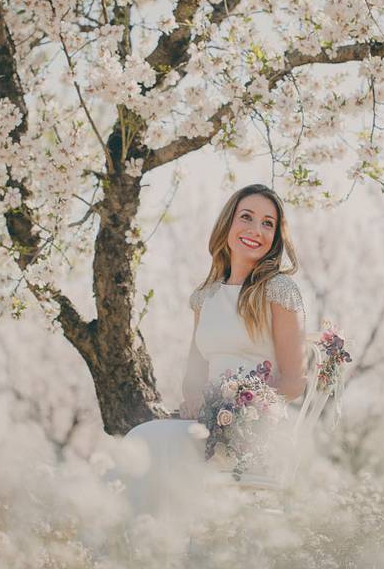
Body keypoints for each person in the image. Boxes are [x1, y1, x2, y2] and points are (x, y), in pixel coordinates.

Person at [104, 183, 309, 518]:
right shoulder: (205, 297)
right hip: (206, 422)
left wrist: (246, 406)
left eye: (268, 223)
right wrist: (198, 401)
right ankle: (133, 541)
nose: (256, 230)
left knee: (157, 442)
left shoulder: (279, 290)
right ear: (228, 223)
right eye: (247, 217)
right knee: (143, 437)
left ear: (276, 236)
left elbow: (293, 380)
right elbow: (194, 376)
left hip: (253, 429)